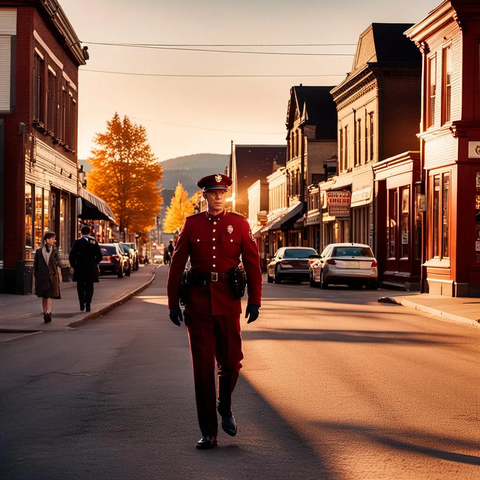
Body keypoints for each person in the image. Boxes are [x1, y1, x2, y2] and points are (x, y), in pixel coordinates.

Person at [166, 173, 263, 450]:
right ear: (205, 196)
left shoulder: (240, 224)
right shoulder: (191, 225)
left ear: (227, 195)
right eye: (213, 193)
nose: (218, 197)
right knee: (202, 370)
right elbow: (176, 264)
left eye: (222, 193)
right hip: (197, 304)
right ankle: (208, 431)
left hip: (228, 303)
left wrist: (254, 300)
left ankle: (225, 404)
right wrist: (173, 302)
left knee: (231, 362)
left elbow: (253, 265)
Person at [69, 225, 103, 312]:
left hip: (80, 267)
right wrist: (95, 262)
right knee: (90, 286)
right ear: (89, 232)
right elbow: (99, 255)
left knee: (80, 286)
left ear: (81, 232)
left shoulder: (77, 242)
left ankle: (81, 303)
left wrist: (73, 265)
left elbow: (72, 255)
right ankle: (88, 303)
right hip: (91, 267)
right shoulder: (94, 242)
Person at [34, 231, 62, 323]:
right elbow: (36, 266)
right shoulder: (39, 251)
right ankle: (45, 312)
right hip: (42, 277)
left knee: (50, 295)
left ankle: (48, 313)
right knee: (44, 296)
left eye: (54, 238)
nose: (54, 240)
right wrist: (36, 277)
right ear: (47, 240)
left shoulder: (55, 251)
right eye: (52, 239)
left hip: (52, 277)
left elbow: (59, 262)